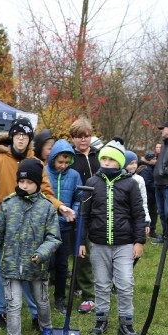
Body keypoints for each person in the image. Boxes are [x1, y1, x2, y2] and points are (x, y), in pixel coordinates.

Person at [0, 117, 72, 329]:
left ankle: (35, 314)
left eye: (25, 135)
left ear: (30, 139)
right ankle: (0, 311)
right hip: (3, 224)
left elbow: (47, 192)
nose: (21, 139)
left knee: (32, 271)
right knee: (1, 272)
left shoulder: (37, 163)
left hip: (31, 227)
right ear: (12, 137)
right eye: (18, 135)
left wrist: (59, 206)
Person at [0, 158, 60, 335]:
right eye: (21, 182)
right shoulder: (8, 204)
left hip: (36, 266)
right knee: (13, 305)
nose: (24, 186)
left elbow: (54, 238)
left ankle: (47, 329)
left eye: (29, 182)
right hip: (11, 265)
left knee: (42, 301)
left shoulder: (47, 207)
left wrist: (41, 253)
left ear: (37, 183)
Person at [79, 140, 146, 335]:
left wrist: (139, 241)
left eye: (111, 159)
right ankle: (101, 319)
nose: (107, 162)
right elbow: (85, 214)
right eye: (104, 159)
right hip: (98, 243)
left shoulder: (130, 184)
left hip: (124, 243)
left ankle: (126, 323)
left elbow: (138, 214)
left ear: (120, 162)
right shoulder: (92, 183)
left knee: (125, 283)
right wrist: (81, 241)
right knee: (101, 283)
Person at [67, 117, 100, 313]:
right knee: (81, 250)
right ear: (73, 138)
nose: (83, 141)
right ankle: (86, 291)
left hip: (98, 209)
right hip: (79, 209)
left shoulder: (98, 156)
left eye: (86, 136)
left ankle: (88, 284)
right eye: (79, 137)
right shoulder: (70, 157)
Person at [45, 139, 82, 314]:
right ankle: (41, 297)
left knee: (62, 265)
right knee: (46, 263)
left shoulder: (74, 175)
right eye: (60, 161)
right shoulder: (44, 173)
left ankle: (60, 298)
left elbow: (79, 196)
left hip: (65, 228)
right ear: (53, 159)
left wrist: (73, 211)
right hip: (46, 228)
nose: (63, 165)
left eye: (67, 162)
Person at [125, 150, 151, 236]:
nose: (134, 166)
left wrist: (146, 220)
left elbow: (143, 201)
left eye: (135, 163)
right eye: (130, 163)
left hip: (136, 216)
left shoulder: (139, 179)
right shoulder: (118, 180)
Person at [138, 150, 158, 238]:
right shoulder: (146, 169)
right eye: (154, 159)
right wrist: (156, 188)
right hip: (149, 196)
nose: (156, 160)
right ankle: (150, 230)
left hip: (150, 195)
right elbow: (147, 183)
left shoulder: (150, 167)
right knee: (151, 213)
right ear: (149, 159)